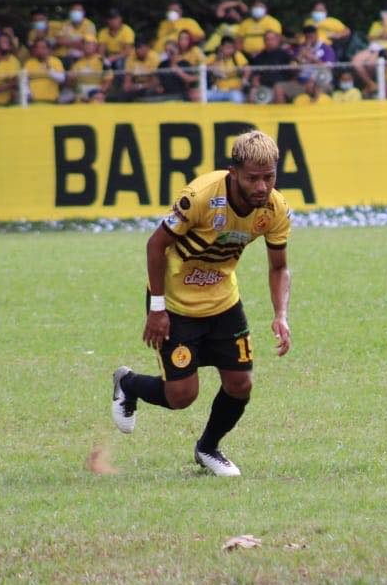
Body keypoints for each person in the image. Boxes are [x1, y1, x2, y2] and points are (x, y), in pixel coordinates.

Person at [111, 130, 293, 477]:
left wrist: (280, 314)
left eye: (268, 177)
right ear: (233, 172)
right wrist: (157, 309)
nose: (261, 187)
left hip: (224, 302)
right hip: (177, 303)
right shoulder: (201, 196)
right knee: (181, 396)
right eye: (252, 178)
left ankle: (208, 448)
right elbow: (155, 246)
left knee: (241, 384)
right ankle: (128, 384)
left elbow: (280, 266)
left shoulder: (274, 209)